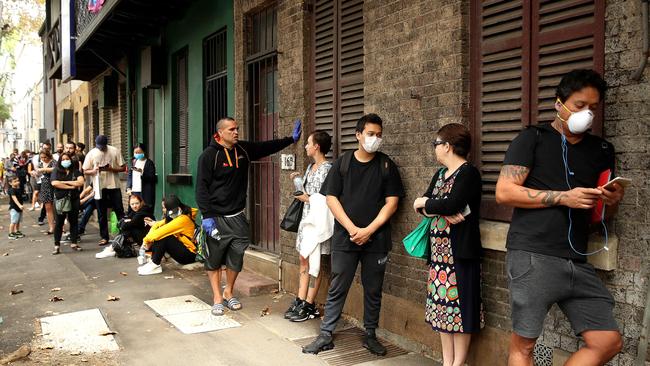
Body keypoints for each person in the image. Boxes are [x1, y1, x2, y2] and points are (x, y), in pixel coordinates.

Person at [495, 69, 625, 366]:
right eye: (580, 105)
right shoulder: (533, 139)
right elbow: (504, 192)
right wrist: (563, 196)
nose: (587, 114)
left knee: (608, 341)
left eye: (593, 107)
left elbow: (597, 216)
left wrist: (611, 202)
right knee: (524, 347)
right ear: (559, 103)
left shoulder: (602, 150)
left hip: (578, 259)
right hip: (533, 255)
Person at [302, 113, 404, 356]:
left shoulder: (386, 165)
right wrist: (352, 229)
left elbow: (392, 202)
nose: (375, 139)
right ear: (358, 135)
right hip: (345, 238)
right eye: (370, 134)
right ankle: (326, 334)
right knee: (338, 285)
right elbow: (331, 198)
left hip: (376, 240)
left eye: (379, 135)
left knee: (373, 289)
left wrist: (368, 230)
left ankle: (370, 334)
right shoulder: (342, 163)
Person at [196, 117, 302, 316]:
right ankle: (217, 297)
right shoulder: (208, 156)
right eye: (231, 130)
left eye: (237, 129)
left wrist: (290, 139)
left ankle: (229, 292)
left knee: (236, 257)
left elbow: (265, 147)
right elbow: (201, 187)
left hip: (238, 216)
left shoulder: (242, 149)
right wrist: (207, 215)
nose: (236, 132)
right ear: (219, 133)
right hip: (216, 218)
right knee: (214, 259)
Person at [412, 123, 483, 366]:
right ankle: (447, 361)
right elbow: (424, 207)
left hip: (459, 254)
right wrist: (433, 206)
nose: (435, 149)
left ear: (447, 146)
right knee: (443, 308)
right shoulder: (440, 175)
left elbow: (446, 204)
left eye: (436, 144)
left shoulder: (468, 173)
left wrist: (430, 204)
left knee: (460, 311)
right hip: (439, 257)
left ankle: (459, 363)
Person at [284, 131, 333, 322]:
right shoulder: (310, 167)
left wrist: (307, 198)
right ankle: (300, 298)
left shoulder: (328, 169)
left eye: (308, 143)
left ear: (317, 146)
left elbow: (326, 197)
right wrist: (297, 180)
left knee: (315, 263)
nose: (305, 146)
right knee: (303, 259)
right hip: (306, 221)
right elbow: (305, 191)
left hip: (319, 221)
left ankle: (310, 304)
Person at [82, 135, 126, 246]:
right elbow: (85, 170)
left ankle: (124, 235)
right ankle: (104, 237)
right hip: (99, 186)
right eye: (99, 146)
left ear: (106, 144)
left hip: (114, 185)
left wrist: (111, 169)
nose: (101, 148)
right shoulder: (91, 153)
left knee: (119, 210)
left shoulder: (114, 151)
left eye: (103, 146)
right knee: (101, 213)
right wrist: (94, 170)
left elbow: (123, 167)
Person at [137, 195, 197, 275]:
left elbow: (160, 233)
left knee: (164, 237)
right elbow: (157, 225)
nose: (165, 211)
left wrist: (145, 241)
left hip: (189, 255)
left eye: (166, 209)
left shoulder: (183, 219)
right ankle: (153, 262)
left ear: (178, 209)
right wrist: (147, 241)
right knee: (160, 234)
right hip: (182, 249)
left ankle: (155, 264)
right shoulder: (176, 216)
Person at [96, 194, 154, 259]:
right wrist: (127, 221)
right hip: (143, 238)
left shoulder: (143, 211)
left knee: (128, 229)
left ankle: (112, 248)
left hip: (149, 242)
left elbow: (124, 225)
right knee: (127, 229)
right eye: (132, 204)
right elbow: (121, 221)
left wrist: (128, 222)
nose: (134, 206)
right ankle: (113, 248)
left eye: (137, 203)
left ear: (141, 202)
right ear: (129, 204)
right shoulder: (134, 211)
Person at [51, 152, 85, 255]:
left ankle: (74, 243)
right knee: (59, 223)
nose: (66, 161)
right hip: (60, 200)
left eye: (67, 159)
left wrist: (63, 182)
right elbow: (54, 183)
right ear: (60, 161)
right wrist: (70, 186)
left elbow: (80, 182)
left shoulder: (75, 171)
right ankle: (57, 245)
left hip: (74, 199)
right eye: (63, 159)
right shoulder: (56, 171)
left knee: (74, 221)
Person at [126, 143, 156, 209]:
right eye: (135, 152)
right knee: (133, 210)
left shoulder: (149, 163)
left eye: (139, 152)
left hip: (145, 191)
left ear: (144, 152)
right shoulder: (133, 162)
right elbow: (129, 175)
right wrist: (128, 187)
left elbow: (152, 178)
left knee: (145, 209)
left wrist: (142, 173)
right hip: (134, 191)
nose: (137, 154)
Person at [37, 150, 56, 235]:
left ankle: (61, 227)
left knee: (57, 207)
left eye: (45, 157)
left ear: (49, 156)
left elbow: (55, 169)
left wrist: (44, 169)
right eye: (41, 157)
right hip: (44, 185)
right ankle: (51, 227)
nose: (43, 159)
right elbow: (38, 173)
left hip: (54, 184)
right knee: (48, 207)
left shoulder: (53, 162)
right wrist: (36, 173)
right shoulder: (40, 163)